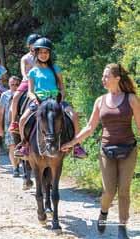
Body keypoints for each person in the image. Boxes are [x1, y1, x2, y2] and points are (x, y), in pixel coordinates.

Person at [62, 63, 140, 239]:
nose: (103, 79)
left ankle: (122, 227)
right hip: (106, 151)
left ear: (117, 78)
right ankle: (103, 212)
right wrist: (73, 142)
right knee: (109, 191)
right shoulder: (100, 101)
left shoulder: (132, 99)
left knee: (124, 190)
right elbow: (89, 127)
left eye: (106, 76)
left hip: (128, 150)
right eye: (103, 76)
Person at [14, 37, 87, 158]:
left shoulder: (56, 69)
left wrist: (61, 96)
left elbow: (62, 87)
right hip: (39, 101)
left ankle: (77, 145)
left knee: (73, 115)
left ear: (49, 54)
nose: (43, 55)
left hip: (55, 100)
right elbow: (30, 91)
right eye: (41, 52)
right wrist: (35, 99)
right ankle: (25, 145)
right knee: (22, 120)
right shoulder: (33, 72)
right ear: (36, 53)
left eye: (46, 52)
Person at [8, 33, 41, 132]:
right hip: (26, 81)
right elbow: (23, 69)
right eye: (33, 43)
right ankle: (14, 122)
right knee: (15, 97)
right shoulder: (25, 58)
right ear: (29, 45)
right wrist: (26, 76)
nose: (35, 45)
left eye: (37, 43)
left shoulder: (42, 56)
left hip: (39, 81)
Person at [0, 76, 21, 177]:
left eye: (17, 84)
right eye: (12, 84)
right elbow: (1, 112)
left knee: (21, 146)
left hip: (22, 124)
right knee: (12, 146)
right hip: (9, 124)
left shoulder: (23, 94)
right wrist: (0, 128)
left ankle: (20, 164)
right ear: (9, 85)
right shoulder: (4, 95)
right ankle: (15, 168)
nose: (14, 86)